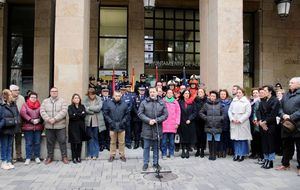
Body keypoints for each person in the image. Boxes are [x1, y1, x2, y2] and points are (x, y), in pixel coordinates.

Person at [138, 87, 168, 171]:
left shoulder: (161, 102)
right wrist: (148, 120)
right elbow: (140, 113)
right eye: (150, 92)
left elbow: (166, 115)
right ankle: (145, 163)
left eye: (154, 92)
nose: (152, 93)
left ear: (157, 92)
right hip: (147, 128)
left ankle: (156, 163)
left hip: (157, 128)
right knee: (146, 147)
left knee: (156, 147)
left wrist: (156, 120)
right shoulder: (144, 102)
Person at [276, 77, 300, 176]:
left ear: (299, 84)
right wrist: (283, 115)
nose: (289, 84)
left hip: (298, 126)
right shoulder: (285, 95)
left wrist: (291, 116)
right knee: (286, 146)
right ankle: (285, 164)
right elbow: (280, 107)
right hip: (286, 125)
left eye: (292, 82)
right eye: (289, 82)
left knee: (299, 147)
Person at [40, 87, 69, 164]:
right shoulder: (45, 101)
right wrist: (48, 119)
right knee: (49, 142)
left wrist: (55, 119)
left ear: (57, 92)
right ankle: (49, 157)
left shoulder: (62, 101)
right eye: (52, 91)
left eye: (56, 91)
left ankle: (64, 157)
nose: (54, 92)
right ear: (50, 92)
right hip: (49, 126)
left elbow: (64, 111)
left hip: (60, 126)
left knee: (62, 141)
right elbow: (42, 111)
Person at [256, 85, 280, 169]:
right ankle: (266, 159)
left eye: (265, 90)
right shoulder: (263, 100)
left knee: (270, 143)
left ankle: (270, 161)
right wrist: (260, 121)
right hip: (262, 125)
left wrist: (265, 122)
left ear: (270, 91)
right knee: (264, 143)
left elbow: (273, 114)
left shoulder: (275, 100)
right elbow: (258, 111)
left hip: (271, 125)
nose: (263, 92)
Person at [103, 91, 129, 162]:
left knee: (122, 142)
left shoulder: (124, 104)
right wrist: (110, 122)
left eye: (119, 96)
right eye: (116, 96)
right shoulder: (109, 103)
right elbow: (105, 114)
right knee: (112, 142)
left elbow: (127, 114)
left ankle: (122, 155)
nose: (118, 97)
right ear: (113, 96)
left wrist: (123, 121)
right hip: (112, 126)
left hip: (121, 126)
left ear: (121, 96)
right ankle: (112, 155)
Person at [20, 92, 44, 165]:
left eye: (35, 97)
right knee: (29, 143)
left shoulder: (40, 105)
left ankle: (37, 157)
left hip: (38, 127)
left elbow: (42, 114)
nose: (33, 99)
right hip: (28, 127)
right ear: (29, 98)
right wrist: (31, 120)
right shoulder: (25, 105)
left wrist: (39, 119)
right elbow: (23, 113)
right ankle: (28, 158)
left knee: (37, 142)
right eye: (32, 97)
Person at [228, 87, 252, 162]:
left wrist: (240, 120)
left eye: (240, 92)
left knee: (242, 139)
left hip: (242, 123)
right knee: (236, 139)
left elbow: (248, 113)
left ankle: (242, 154)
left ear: (243, 93)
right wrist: (232, 118)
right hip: (234, 122)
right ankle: (236, 154)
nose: (238, 94)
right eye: (237, 92)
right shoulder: (233, 101)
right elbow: (229, 111)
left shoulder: (246, 102)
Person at [199, 90, 223, 161]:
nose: (212, 97)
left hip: (217, 125)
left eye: (214, 96)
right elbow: (201, 113)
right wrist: (206, 118)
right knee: (209, 140)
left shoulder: (219, 104)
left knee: (216, 140)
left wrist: (220, 118)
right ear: (209, 96)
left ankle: (214, 154)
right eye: (211, 96)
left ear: (216, 97)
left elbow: (224, 114)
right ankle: (210, 154)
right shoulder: (206, 104)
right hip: (208, 125)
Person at [83, 88, 105, 160]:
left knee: (95, 137)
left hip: (96, 121)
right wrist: (92, 110)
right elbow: (85, 109)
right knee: (89, 138)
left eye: (93, 94)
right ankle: (89, 154)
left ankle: (95, 154)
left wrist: (89, 108)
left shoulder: (99, 99)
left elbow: (99, 108)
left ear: (95, 94)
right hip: (88, 121)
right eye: (90, 94)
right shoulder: (85, 99)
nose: (91, 96)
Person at [0, 89, 19, 170]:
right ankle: (3, 162)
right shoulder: (1, 105)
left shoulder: (13, 104)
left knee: (9, 146)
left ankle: (8, 161)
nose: (12, 95)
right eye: (10, 94)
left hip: (12, 127)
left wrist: (16, 121)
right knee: (4, 146)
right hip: (4, 128)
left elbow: (17, 114)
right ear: (6, 96)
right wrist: (4, 122)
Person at [68, 94, 87, 164]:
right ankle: (74, 157)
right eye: (75, 98)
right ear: (73, 99)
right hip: (73, 128)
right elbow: (71, 116)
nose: (77, 99)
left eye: (78, 98)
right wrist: (79, 114)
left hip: (81, 127)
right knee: (73, 143)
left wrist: (75, 114)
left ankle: (78, 157)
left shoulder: (82, 106)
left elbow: (84, 115)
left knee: (80, 143)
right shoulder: (70, 107)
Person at [178, 89, 197, 159]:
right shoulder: (180, 102)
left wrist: (190, 119)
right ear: (183, 95)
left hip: (190, 122)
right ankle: (183, 150)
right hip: (182, 122)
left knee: (189, 137)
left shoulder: (193, 102)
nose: (187, 94)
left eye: (188, 93)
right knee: (182, 137)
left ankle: (187, 151)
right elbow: (178, 112)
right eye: (185, 93)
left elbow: (195, 112)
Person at [162, 89, 181, 160]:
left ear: (173, 94)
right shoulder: (163, 101)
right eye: (168, 93)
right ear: (166, 94)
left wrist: (177, 123)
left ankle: (171, 153)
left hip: (173, 124)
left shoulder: (175, 102)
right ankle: (164, 153)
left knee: (172, 141)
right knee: (163, 141)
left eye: (171, 93)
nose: (169, 94)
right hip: (164, 124)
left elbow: (178, 113)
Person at [10, 84, 25, 162]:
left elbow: (24, 109)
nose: (17, 91)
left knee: (18, 140)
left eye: (18, 90)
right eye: (15, 90)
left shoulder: (22, 98)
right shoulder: (8, 98)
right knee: (11, 140)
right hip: (10, 123)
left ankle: (19, 156)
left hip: (19, 122)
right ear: (11, 91)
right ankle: (11, 157)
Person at [249, 88, 263, 160]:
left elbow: (257, 112)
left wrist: (256, 119)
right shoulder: (251, 101)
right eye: (253, 93)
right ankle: (253, 153)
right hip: (251, 122)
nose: (255, 94)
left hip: (257, 122)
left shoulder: (260, 101)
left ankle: (258, 153)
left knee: (258, 138)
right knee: (253, 139)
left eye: (256, 93)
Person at [194, 88, 207, 158]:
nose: (200, 93)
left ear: (204, 93)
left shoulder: (207, 100)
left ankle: (202, 150)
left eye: (201, 92)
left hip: (204, 121)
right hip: (197, 120)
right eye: (199, 92)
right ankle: (198, 150)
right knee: (197, 136)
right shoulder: (195, 100)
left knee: (203, 136)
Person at [219, 89, 232, 158]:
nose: (223, 95)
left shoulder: (230, 102)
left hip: (228, 122)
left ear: (226, 95)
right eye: (221, 94)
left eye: (224, 94)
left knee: (226, 137)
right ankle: (221, 151)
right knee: (220, 138)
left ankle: (225, 150)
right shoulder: (217, 102)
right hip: (219, 123)